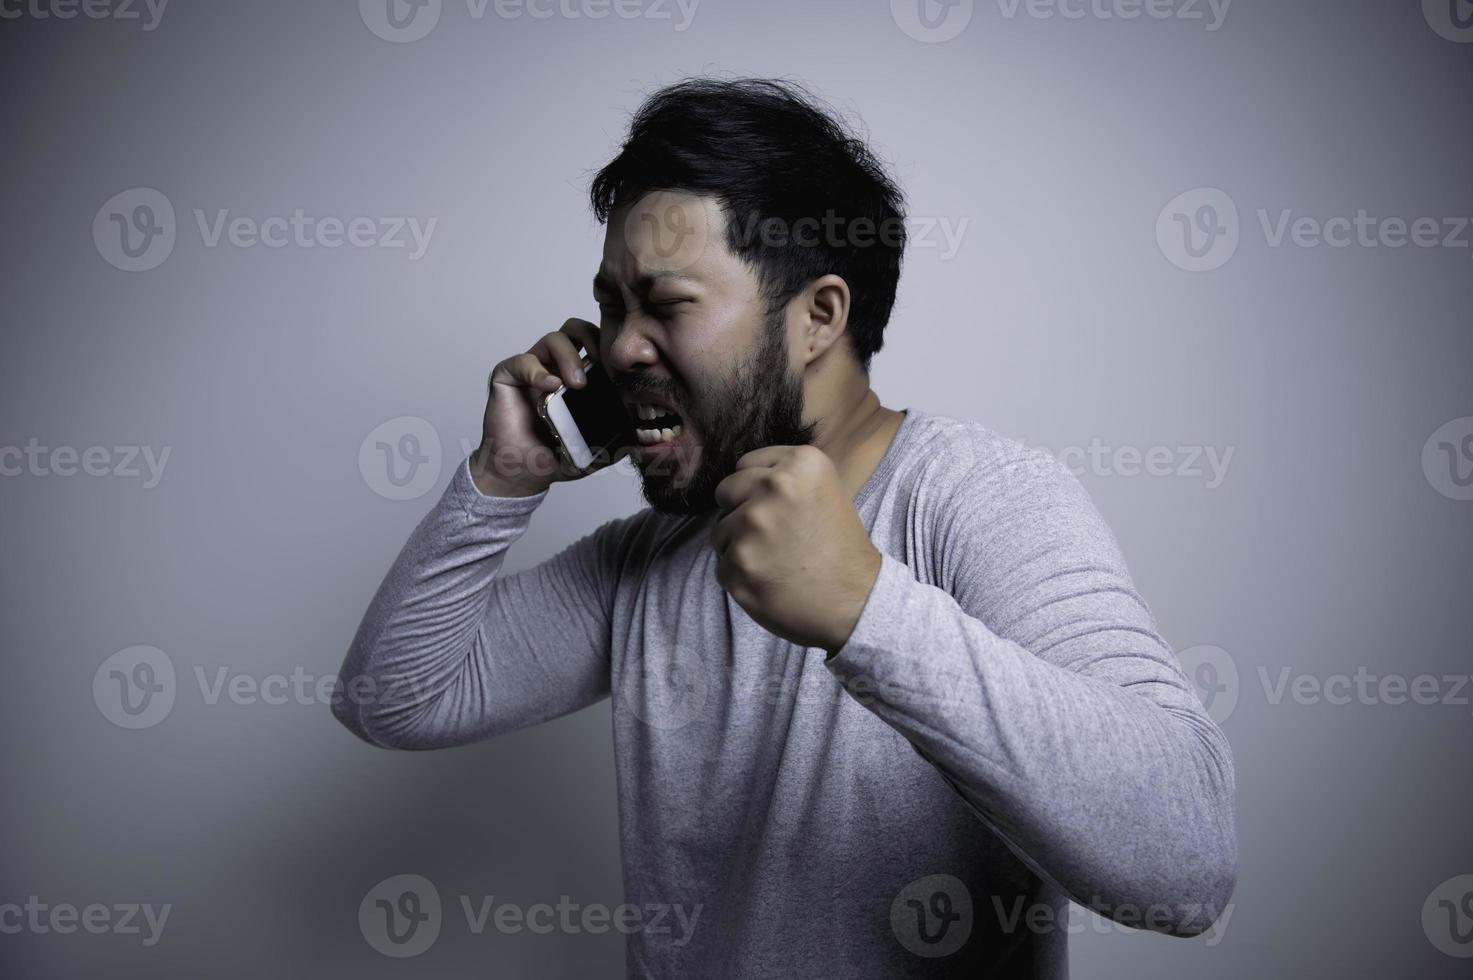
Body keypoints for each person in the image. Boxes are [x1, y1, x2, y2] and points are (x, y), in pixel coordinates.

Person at [333, 76, 1238, 978]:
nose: (616, 348)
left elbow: (1187, 868)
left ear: (816, 317)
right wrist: (506, 475)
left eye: (667, 304)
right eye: (612, 306)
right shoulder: (647, 559)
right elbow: (393, 700)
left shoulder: (977, 496)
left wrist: (865, 610)